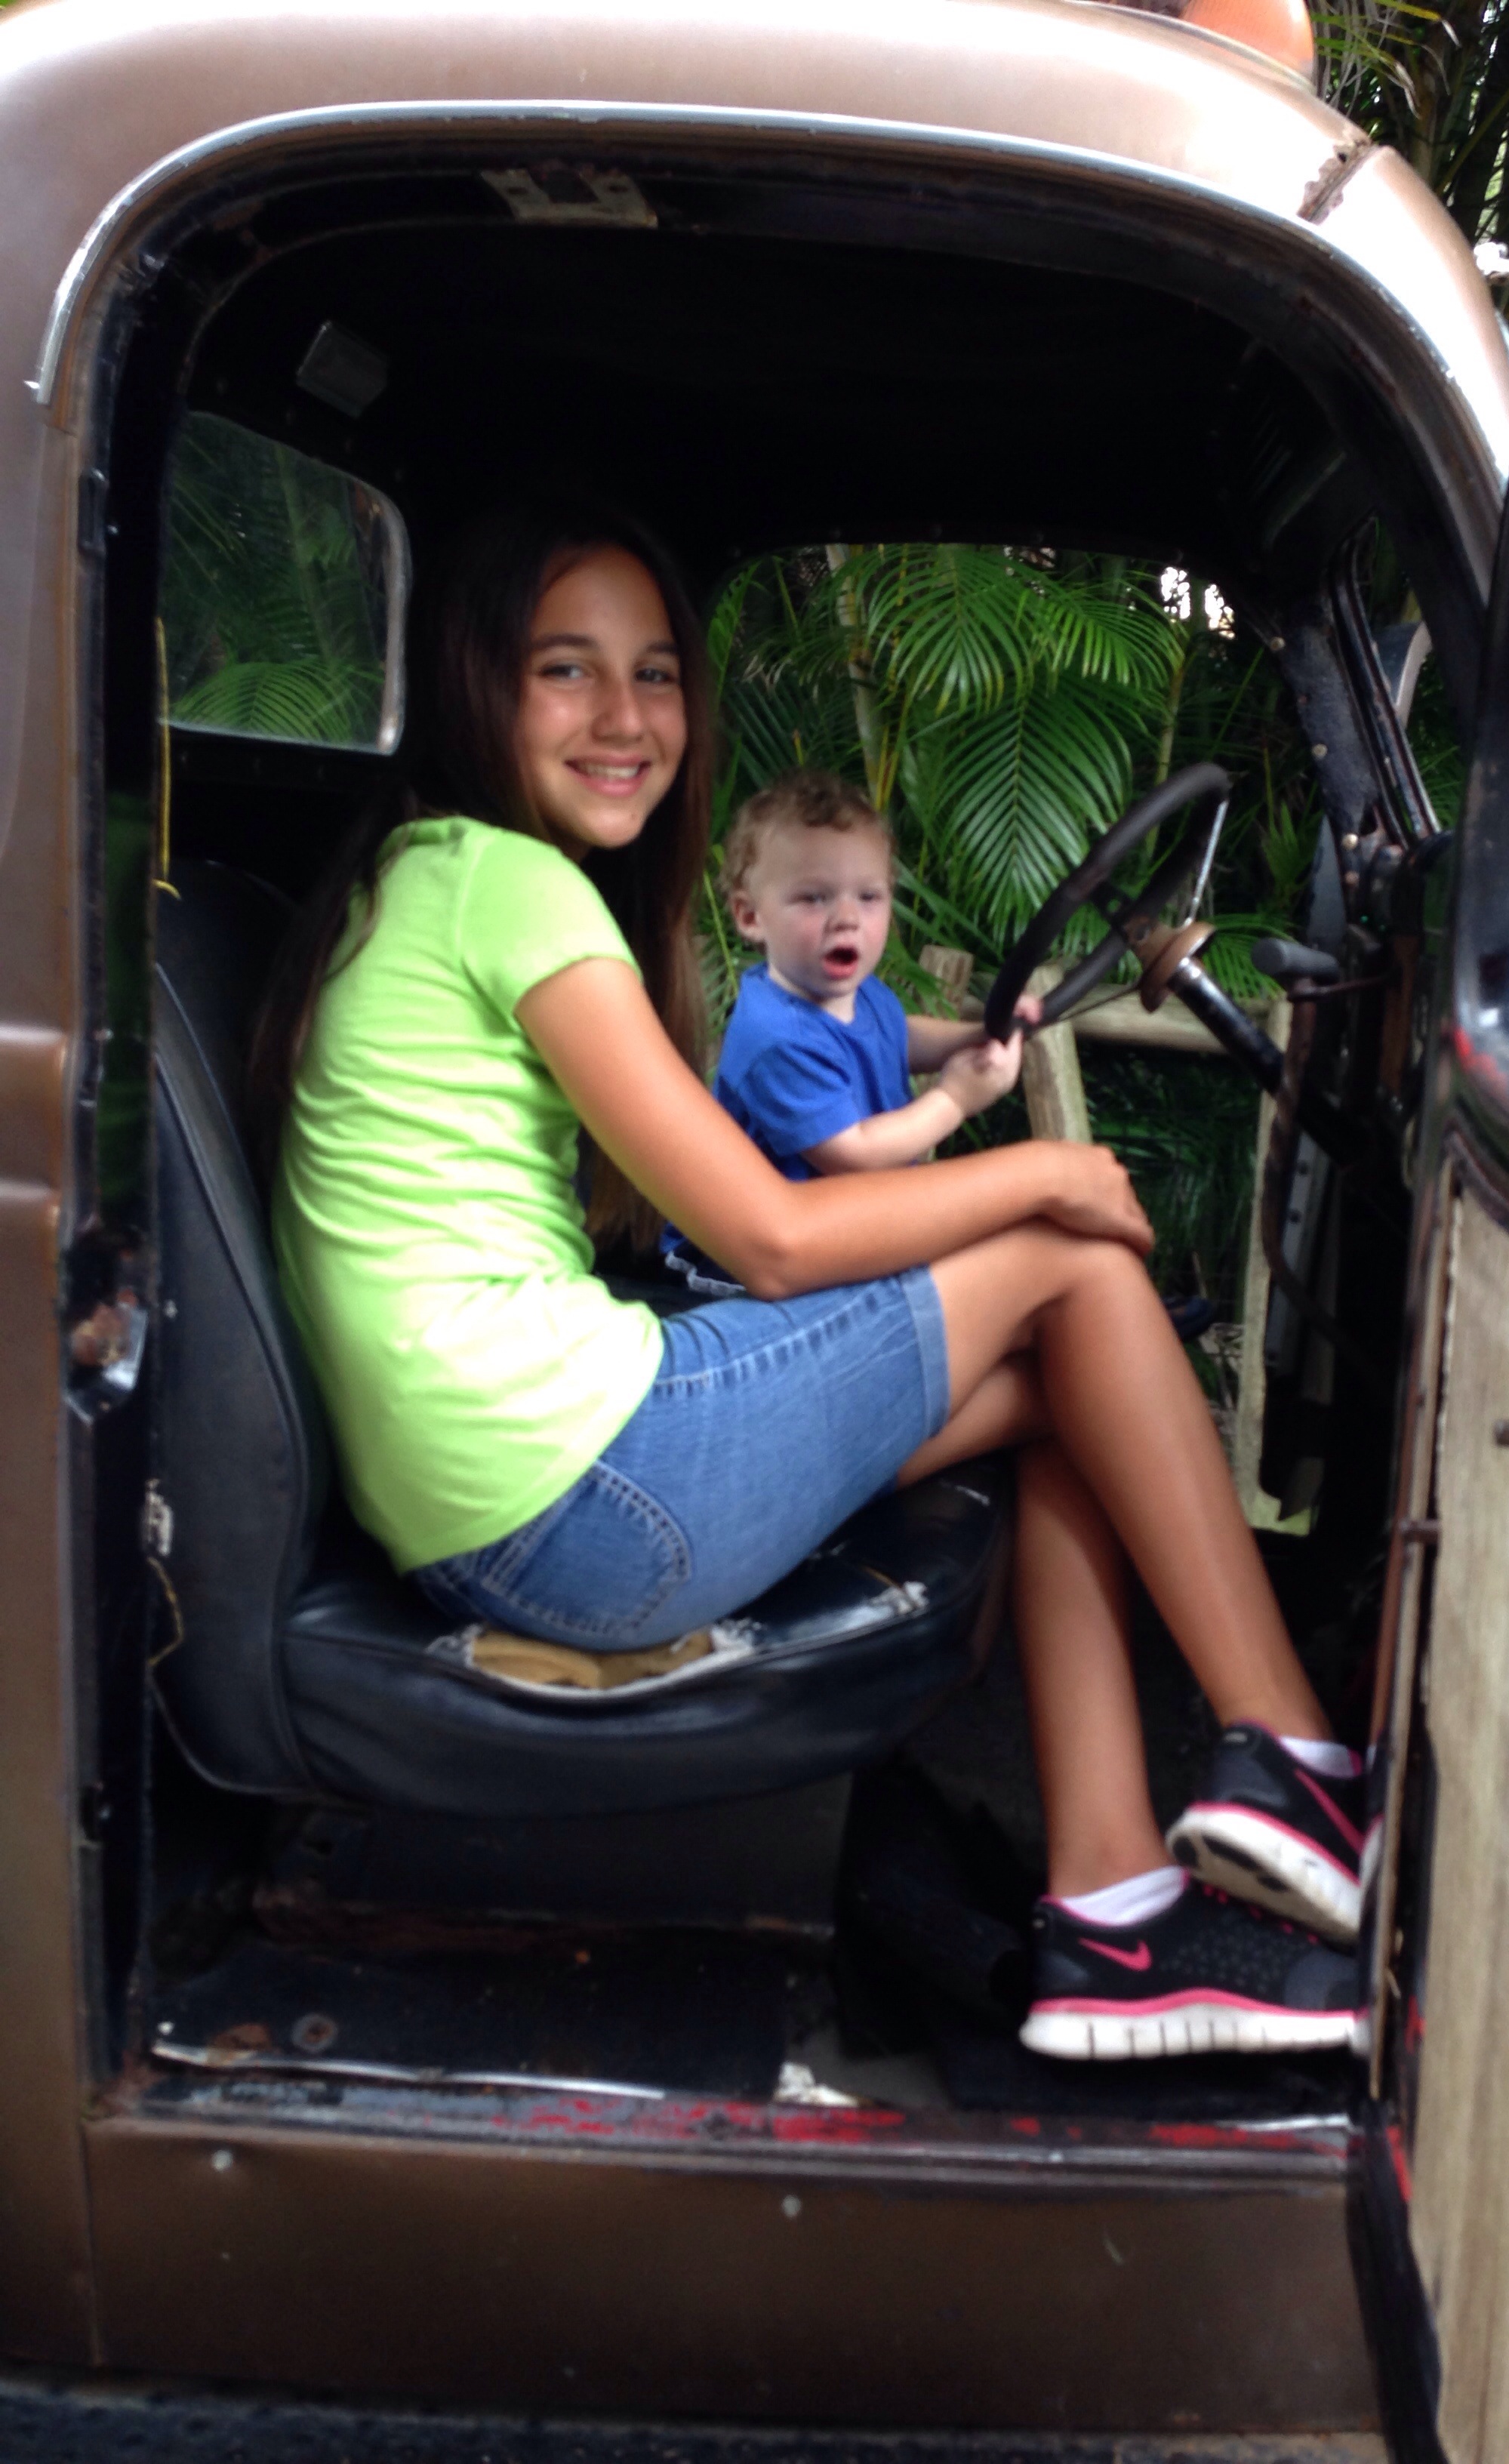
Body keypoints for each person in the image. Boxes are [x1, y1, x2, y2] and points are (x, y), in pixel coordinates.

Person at [257, 502, 1365, 2063]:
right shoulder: (509, 886)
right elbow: (774, 1234)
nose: (624, 717)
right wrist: (1049, 1173)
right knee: (1073, 1264)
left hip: (500, 1506)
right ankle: (1297, 1763)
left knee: (1063, 1382)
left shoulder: (425, 872)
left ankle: (1112, 1913)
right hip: (582, 1492)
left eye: (654, 673)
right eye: (566, 669)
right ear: (473, 681)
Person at [659, 768, 1033, 1295]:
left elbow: (898, 1038)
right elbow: (853, 1155)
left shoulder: (858, 991)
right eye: (814, 898)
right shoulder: (777, 1037)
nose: (847, 918)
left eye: (869, 896)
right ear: (750, 916)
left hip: (846, 1220)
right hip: (753, 1256)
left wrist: (976, 1035)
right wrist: (955, 1100)